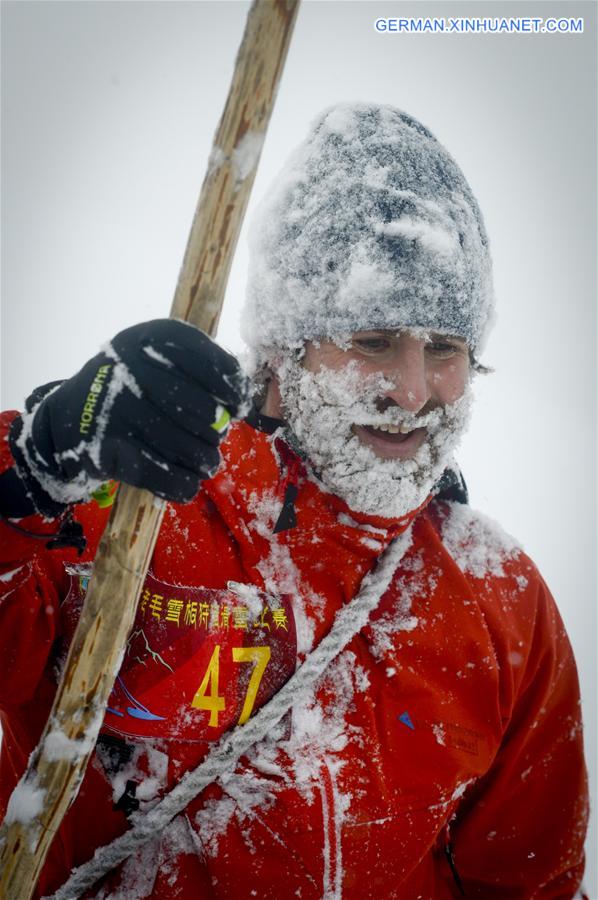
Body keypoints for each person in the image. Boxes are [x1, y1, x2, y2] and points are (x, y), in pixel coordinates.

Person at [0, 104, 588, 898]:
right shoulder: (130, 519)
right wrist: (29, 466)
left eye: (444, 349)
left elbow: (529, 881)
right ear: (283, 344)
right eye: (374, 341)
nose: (412, 393)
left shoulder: (499, 597)